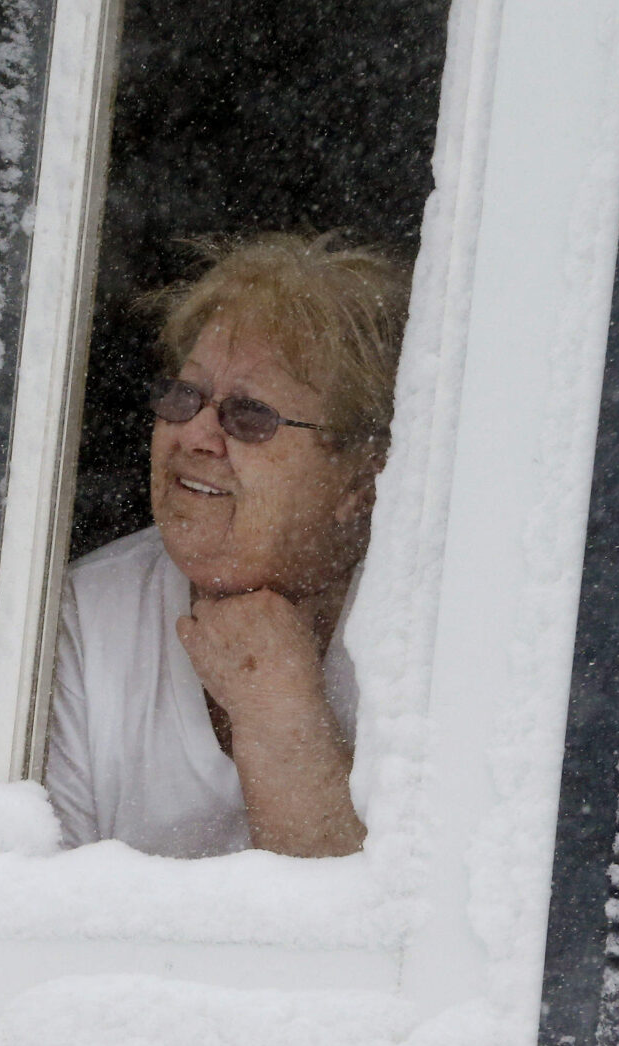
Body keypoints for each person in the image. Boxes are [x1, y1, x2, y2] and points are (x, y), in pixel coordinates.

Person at [45, 232, 411, 858]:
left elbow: (381, 942)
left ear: (361, 479)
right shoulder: (83, 615)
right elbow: (36, 923)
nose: (195, 435)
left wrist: (280, 713)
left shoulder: (424, 640)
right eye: (184, 395)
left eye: (250, 416)